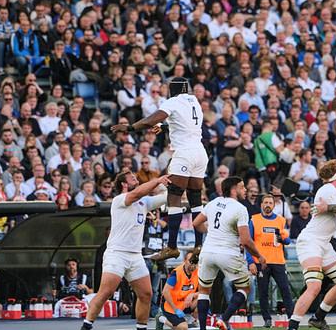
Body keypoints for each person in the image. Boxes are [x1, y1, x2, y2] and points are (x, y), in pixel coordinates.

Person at [112, 77, 208, 263]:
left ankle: (172, 247)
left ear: (173, 90)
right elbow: (186, 123)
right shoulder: (194, 100)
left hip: (184, 153)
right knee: (196, 199)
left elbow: (150, 120)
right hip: (200, 152)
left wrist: (130, 127)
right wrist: (165, 127)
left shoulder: (173, 101)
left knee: (174, 195)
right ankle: (199, 244)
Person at [79, 170, 170, 330]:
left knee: (146, 294)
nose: (136, 178)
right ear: (123, 183)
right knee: (106, 292)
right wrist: (158, 181)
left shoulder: (145, 202)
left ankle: (141, 327)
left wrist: (175, 183)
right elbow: (136, 193)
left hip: (135, 256)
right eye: (131, 177)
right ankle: (86, 326)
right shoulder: (120, 199)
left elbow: (165, 198)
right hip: (117, 253)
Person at [285, 160, 336, 330]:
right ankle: (292, 326)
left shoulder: (335, 191)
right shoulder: (328, 190)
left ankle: (318, 318)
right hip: (311, 242)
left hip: (323, 243)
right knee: (314, 286)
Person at [192, 176, 267, 330]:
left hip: (207, 252)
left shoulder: (212, 203)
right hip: (228, 253)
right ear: (233, 190)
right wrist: (259, 256)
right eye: (242, 187)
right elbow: (246, 241)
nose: (245, 190)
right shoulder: (240, 208)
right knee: (245, 288)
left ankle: (202, 329)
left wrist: (211, 231)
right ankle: (224, 319)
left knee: (204, 291)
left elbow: (195, 223)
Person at [247, 194, 294, 328]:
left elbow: (287, 240)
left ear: (274, 205)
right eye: (265, 203)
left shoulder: (281, 220)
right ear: (261, 205)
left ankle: (292, 317)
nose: (268, 205)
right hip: (261, 262)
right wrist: (250, 261)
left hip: (278, 261)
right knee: (263, 292)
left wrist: (284, 238)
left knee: (285, 290)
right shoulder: (254, 220)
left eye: (270, 203)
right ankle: (267, 319)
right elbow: (248, 243)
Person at [157, 251, 199, 330]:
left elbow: (204, 292)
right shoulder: (176, 273)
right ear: (184, 261)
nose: (193, 263)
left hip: (186, 302)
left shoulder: (198, 272)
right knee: (183, 327)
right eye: (190, 260)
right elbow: (165, 292)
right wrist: (176, 309)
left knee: (205, 300)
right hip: (171, 305)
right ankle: (162, 319)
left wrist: (193, 295)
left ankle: (190, 322)